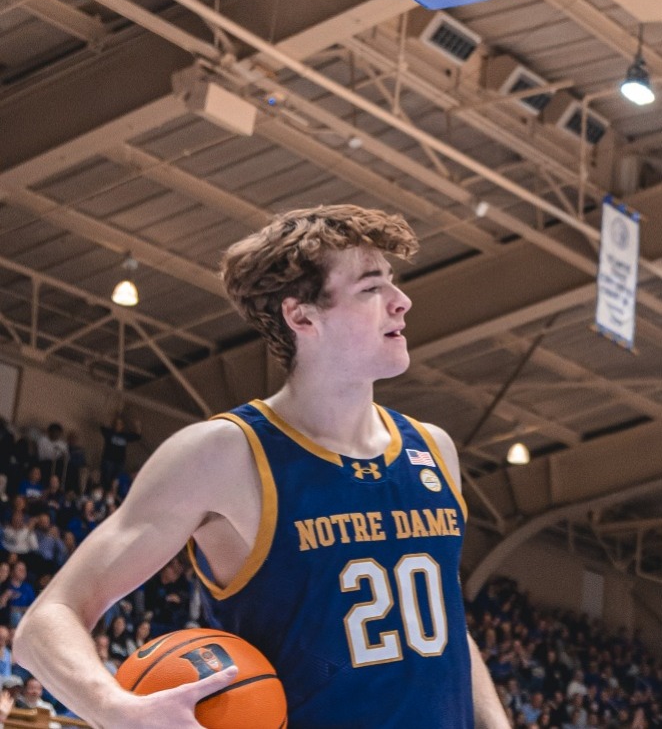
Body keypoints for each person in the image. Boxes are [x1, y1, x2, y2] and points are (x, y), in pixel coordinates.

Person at [15, 205, 511, 729]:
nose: (401, 301)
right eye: (371, 288)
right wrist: (115, 708)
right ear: (302, 317)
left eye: (392, 282)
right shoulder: (223, 454)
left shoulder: (433, 449)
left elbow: (444, 623)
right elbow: (46, 621)